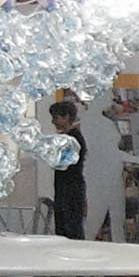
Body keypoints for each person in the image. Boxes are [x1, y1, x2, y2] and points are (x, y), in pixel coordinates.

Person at [49, 98, 88, 241]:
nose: (53, 122)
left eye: (56, 118)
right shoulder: (65, 138)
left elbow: (62, 163)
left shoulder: (74, 139)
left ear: (66, 117)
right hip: (63, 187)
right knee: (62, 226)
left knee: (70, 227)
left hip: (71, 188)